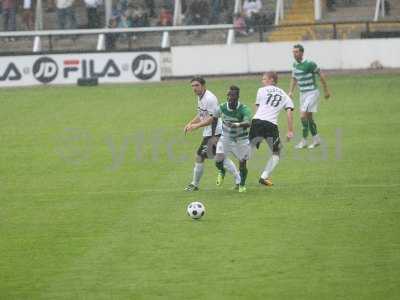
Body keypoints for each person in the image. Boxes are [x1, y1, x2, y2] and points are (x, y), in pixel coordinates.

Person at [184, 77, 241, 192]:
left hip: (215, 132)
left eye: (196, 85)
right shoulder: (200, 97)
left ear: (203, 86)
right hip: (210, 133)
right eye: (192, 86)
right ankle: (239, 180)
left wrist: (197, 126)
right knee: (220, 158)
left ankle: (194, 184)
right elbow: (201, 114)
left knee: (199, 156)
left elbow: (212, 118)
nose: (194, 88)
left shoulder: (210, 99)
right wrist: (190, 123)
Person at [249, 72, 294, 186]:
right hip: (271, 125)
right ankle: (264, 177)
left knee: (249, 149)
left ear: (272, 80)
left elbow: (257, 108)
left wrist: (253, 122)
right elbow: (289, 113)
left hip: (257, 122)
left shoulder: (261, 90)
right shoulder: (285, 95)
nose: (262, 81)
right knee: (276, 152)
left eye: (264, 79)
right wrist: (289, 130)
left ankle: (239, 177)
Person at [288, 44, 330, 149]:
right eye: (293, 52)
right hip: (303, 94)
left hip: (312, 93)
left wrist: (326, 90)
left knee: (303, 116)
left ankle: (304, 141)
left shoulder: (310, 64)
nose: (294, 54)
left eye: (296, 52)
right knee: (309, 118)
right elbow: (294, 78)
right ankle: (316, 139)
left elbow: (321, 75)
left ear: (302, 53)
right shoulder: (294, 65)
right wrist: (290, 92)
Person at [212, 86, 252, 193]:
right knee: (218, 160)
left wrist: (236, 124)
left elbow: (248, 123)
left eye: (233, 96)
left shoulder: (244, 109)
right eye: (229, 96)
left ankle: (242, 185)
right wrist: (214, 135)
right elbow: (214, 119)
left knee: (242, 163)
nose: (230, 98)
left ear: (238, 97)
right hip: (226, 138)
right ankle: (222, 170)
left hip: (241, 140)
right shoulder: (221, 107)